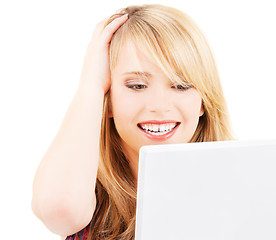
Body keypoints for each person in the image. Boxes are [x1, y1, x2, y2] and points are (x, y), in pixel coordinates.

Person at [32, 4, 233, 240]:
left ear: (203, 101)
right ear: (107, 101)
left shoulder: (238, 186)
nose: (160, 105)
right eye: (137, 85)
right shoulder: (86, 194)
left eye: (181, 85)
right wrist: (91, 85)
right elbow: (60, 211)